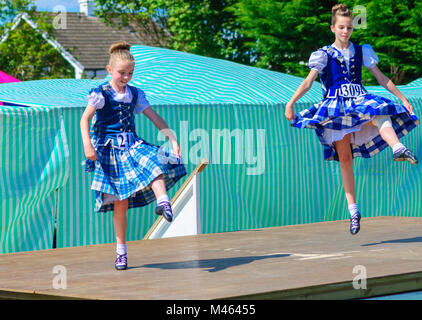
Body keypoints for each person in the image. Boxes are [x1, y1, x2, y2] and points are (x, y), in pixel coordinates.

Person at [285, 4, 419, 235]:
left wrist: (403, 97)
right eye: (341, 27)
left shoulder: (361, 51)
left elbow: (382, 78)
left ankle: (398, 148)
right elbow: (308, 82)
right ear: (333, 28)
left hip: (358, 98)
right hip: (337, 105)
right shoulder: (323, 54)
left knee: (379, 112)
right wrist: (291, 102)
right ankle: (353, 211)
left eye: (348, 27)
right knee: (345, 159)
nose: (345, 31)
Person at [80, 41, 187, 270]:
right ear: (110, 70)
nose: (126, 77)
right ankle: (121, 252)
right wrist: (88, 146)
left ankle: (163, 202)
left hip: (132, 145)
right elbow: (84, 119)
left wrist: (172, 139)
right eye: (121, 73)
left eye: (130, 73)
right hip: (109, 152)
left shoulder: (135, 94)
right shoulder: (101, 94)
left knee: (155, 162)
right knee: (121, 203)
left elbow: (155, 117)